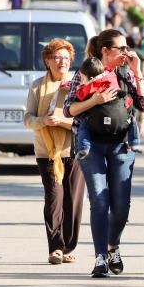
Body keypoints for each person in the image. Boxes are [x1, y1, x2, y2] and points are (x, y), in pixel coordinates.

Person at [66, 29, 144, 278]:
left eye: (127, 48)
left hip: (121, 145)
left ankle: (113, 246)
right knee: (100, 201)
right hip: (91, 145)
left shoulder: (126, 72)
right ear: (105, 50)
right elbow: (69, 109)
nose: (126, 52)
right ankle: (101, 256)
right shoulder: (85, 72)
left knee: (122, 204)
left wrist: (136, 71)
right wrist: (96, 99)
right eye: (121, 49)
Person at [23, 39, 86, 264]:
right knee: (54, 199)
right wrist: (44, 120)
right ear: (47, 61)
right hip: (47, 152)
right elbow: (27, 119)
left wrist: (62, 122)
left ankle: (68, 246)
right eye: (57, 58)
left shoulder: (78, 85)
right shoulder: (37, 86)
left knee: (73, 201)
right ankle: (56, 248)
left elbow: (85, 120)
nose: (62, 62)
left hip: (75, 150)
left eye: (66, 59)